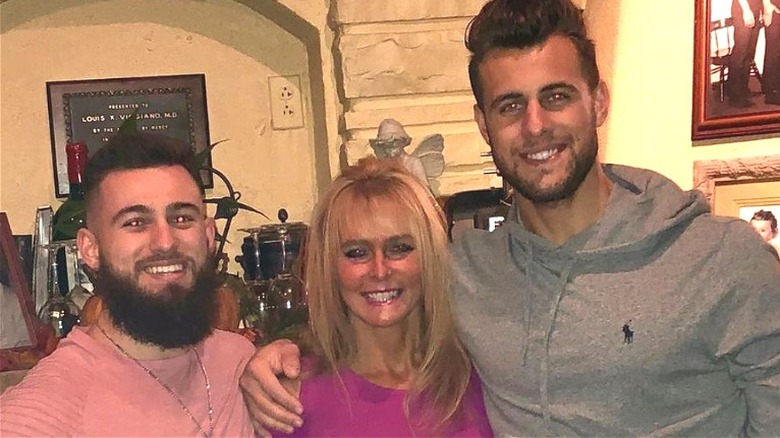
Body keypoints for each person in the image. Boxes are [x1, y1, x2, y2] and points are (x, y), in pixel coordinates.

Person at [241, 0, 780, 436]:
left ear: (597, 102)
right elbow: (374, 302)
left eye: (557, 96)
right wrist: (278, 351)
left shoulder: (720, 259)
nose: (536, 125)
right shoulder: (466, 271)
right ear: (484, 123)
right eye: (510, 105)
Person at [0, 132, 256, 436]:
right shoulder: (42, 413)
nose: (165, 242)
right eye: (135, 222)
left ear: (208, 235)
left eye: (182, 218)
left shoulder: (240, 362)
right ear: (90, 249)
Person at [272, 156, 492, 437]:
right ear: (329, 267)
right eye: (357, 252)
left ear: (429, 257)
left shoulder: (479, 376)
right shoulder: (291, 398)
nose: (379, 270)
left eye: (399, 247)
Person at [727, 0, 764, 108]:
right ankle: (735, 96)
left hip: (755, 9)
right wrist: (746, 10)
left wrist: (760, 11)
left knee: (749, 54)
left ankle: (743, 90)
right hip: (744, 10)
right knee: (740, 53)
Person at [762, 0, 780, 105]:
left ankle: (777, 88)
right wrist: (767, 6)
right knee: (772, 52)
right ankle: (770, 92)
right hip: (773, 8)